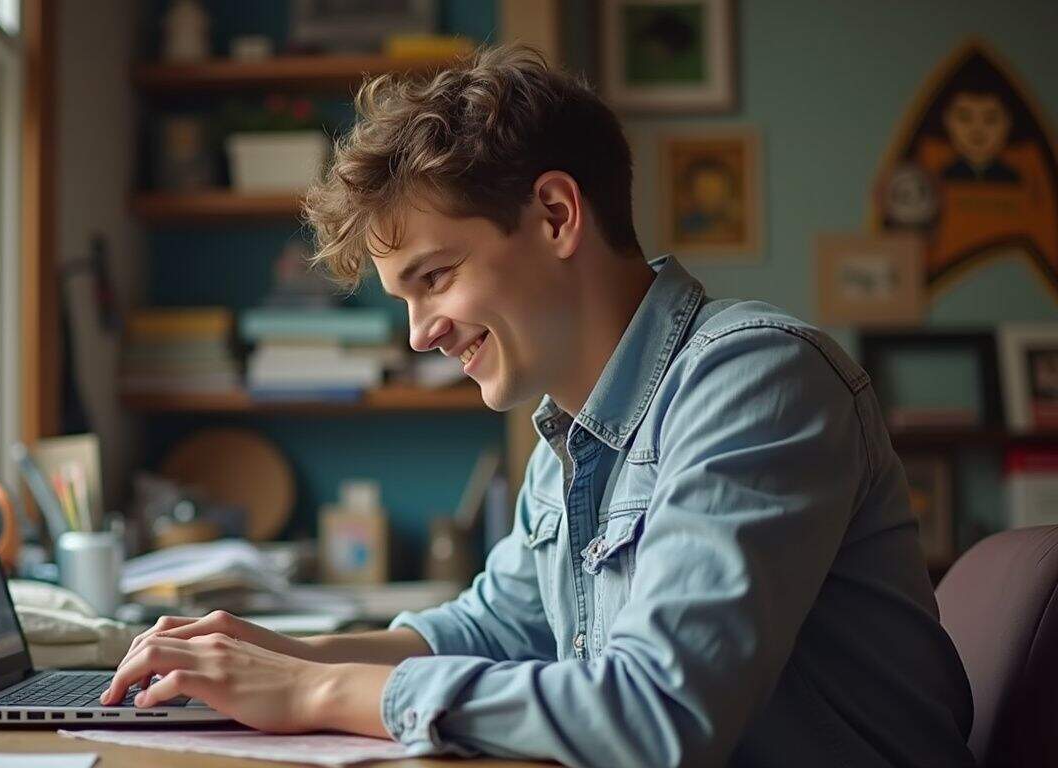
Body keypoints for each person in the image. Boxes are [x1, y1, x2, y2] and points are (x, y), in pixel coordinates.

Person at [102, 44, 974, 767]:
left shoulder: (755, 382)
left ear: (557, 215)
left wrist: (314, 691)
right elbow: (488, 627)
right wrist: (270, 653)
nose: (418, 336)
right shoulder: (572, 434)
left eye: (435, 278)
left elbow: (657, 712)